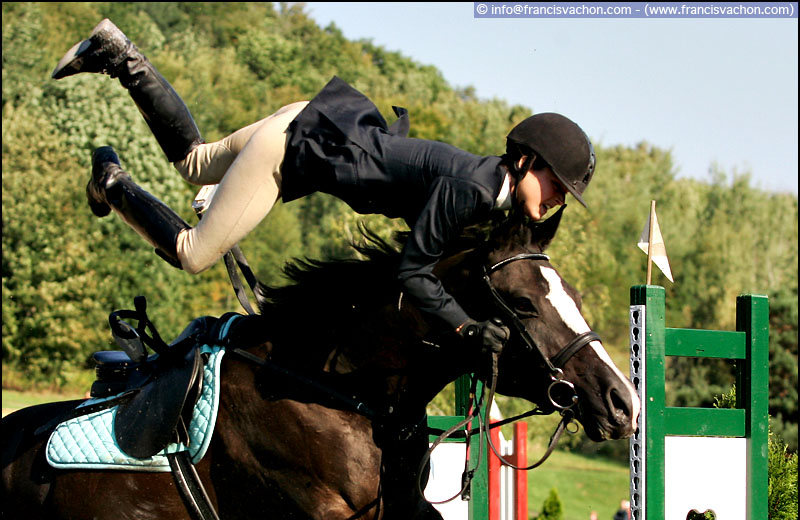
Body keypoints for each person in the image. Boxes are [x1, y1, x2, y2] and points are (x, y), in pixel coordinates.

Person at [51, 19, 595, 358]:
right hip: (292, 150)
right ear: (524, 160)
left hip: (309, 122)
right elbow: (411, 271)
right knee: (193, 254)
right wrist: (463, 328)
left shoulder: (483, 189)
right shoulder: (472, 191)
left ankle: (120, 56)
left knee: (195, 162)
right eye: (555, 181)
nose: (558, 198)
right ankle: (112, 181)